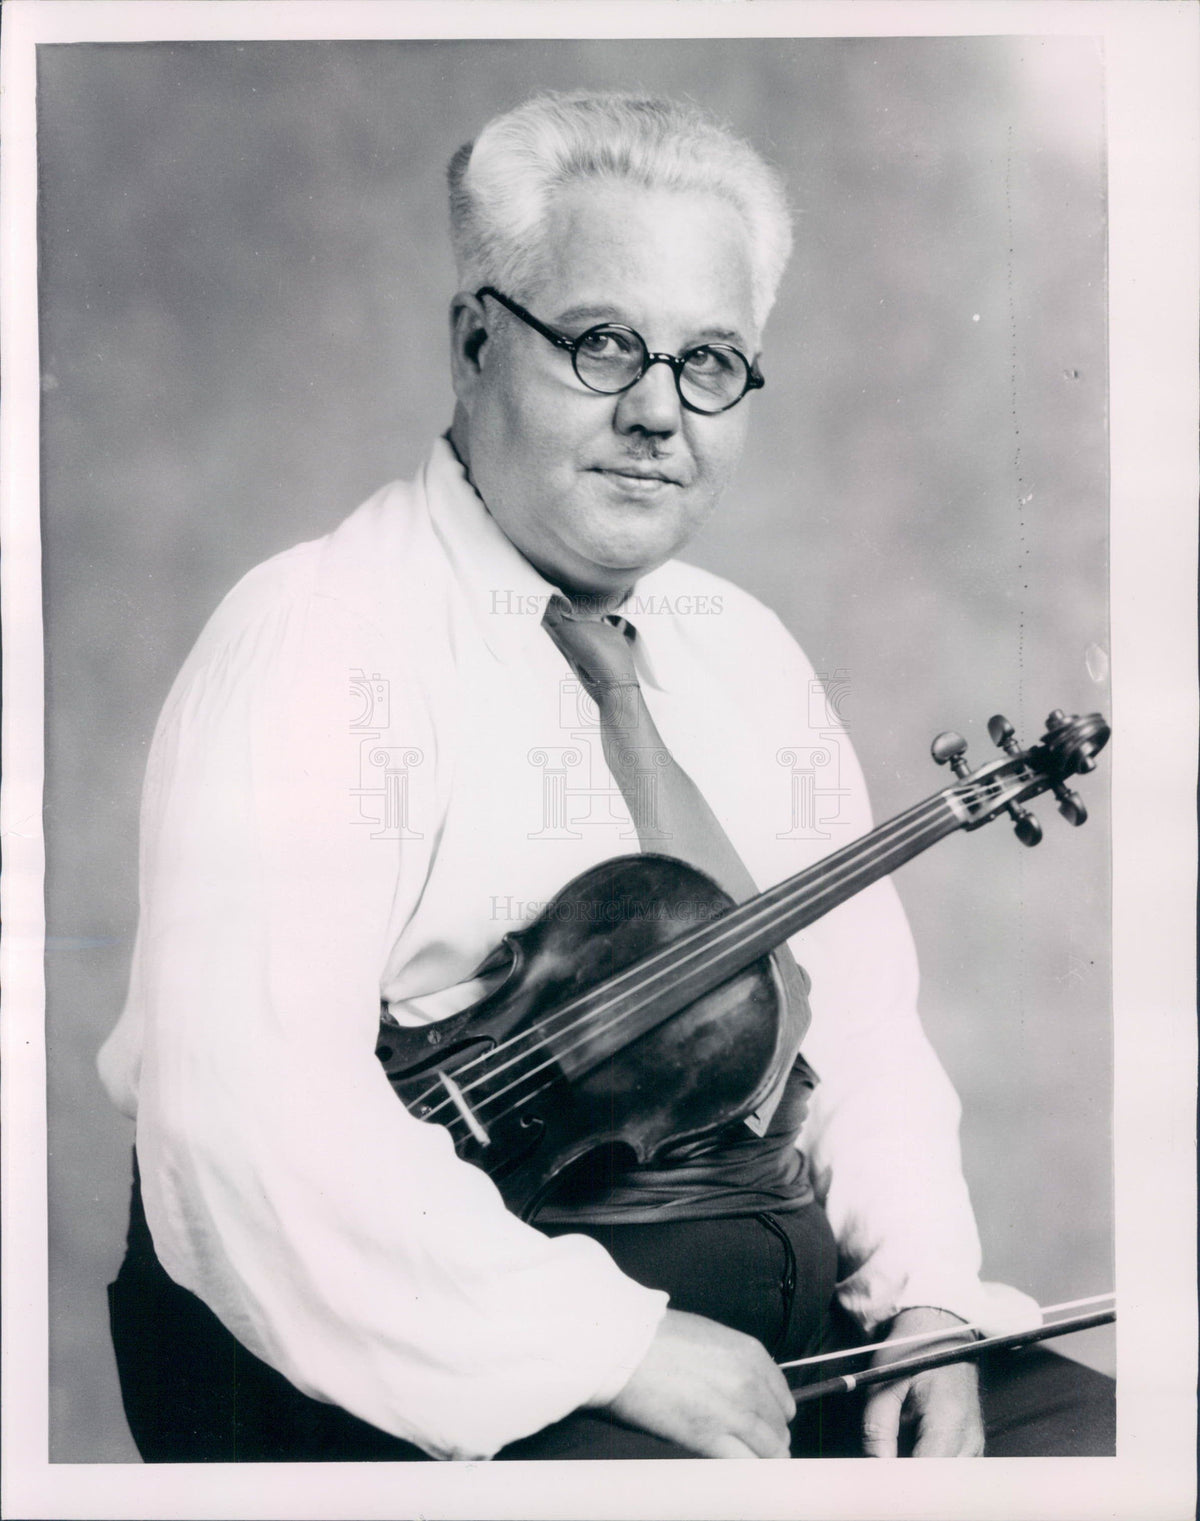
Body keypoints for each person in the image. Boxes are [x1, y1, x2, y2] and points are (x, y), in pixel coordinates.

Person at [98, 90, 1113, 1463]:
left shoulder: (742, 649)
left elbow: (862, 1036)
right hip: (472, 1367)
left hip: (785, 1345)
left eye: (710, 361)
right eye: (601, 344)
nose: (657, 411)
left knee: (1109, 1448)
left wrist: (929, 1299)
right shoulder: (315, 641)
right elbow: (250, 1116)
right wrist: (610, 1344)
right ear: (474, 342)